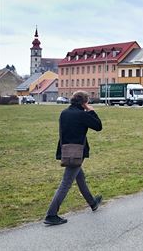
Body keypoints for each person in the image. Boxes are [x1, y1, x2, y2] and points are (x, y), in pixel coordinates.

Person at [44, 91, 103, 225]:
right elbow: (98, 127)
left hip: (65, 149)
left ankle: (92, 203)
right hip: (76, 152)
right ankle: (51, 214)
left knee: (80, 177)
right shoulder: (82, 115)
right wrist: (91, 111)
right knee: (66, 183)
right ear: (84, 102)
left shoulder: (64, 113)